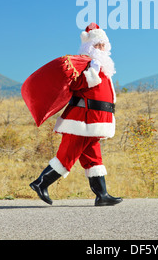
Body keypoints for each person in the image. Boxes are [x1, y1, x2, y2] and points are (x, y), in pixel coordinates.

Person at [29, 23, 123, 206]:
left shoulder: (102, 67)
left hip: (95, 121)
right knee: (66, 155)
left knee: (93, 159)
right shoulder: (86, 65)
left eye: (103, 44)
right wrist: (92, 72)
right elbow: (75, 85)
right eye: (97, 45)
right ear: (89, 47)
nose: (101, 48)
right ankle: (41, 183)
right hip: (82, 120)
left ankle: (102, 195)